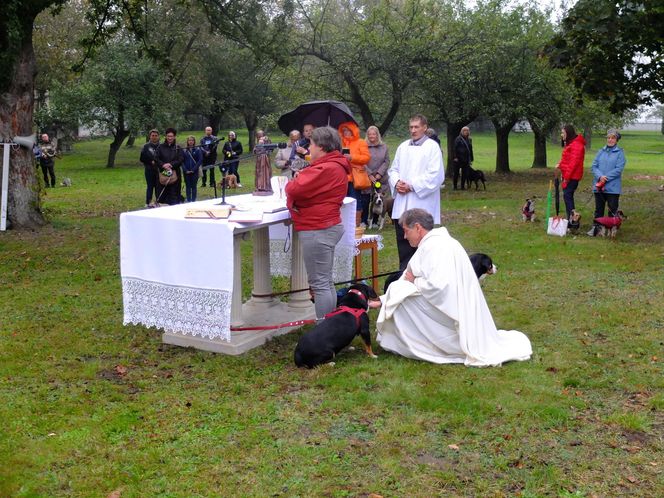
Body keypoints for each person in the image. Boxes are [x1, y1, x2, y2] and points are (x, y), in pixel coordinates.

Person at [376, 208, 532, 366]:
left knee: (403, 301)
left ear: (417, 227)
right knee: (399, 292)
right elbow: (409, 277)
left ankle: (418, 345)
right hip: (456, 303)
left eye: (406, 231)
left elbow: (438, 287)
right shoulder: (435, 242)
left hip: (453, 311)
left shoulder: (434, 246)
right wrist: (384, 299)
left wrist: (414, 282)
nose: (404, 236)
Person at [285, 126, 351, 318]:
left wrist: (295, 182)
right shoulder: (333, 165)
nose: (309, 148)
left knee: (320, 284)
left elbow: (294, 189)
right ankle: (330, 327)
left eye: (311, 144)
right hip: (327, 225)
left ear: (321, 146)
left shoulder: (325, 168)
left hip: (318, 228)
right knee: (326, 282)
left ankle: (324, 331)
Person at [387, 114, 445, 281]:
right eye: (411, 127)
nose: (413, 130)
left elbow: (435, 175)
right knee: (404, 246)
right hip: (402, 206)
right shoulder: (403, 147)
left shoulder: (432, 147)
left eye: (416, 127)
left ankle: (424, 280)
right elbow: (393, 169)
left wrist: (412, 185)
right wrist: (397, 182)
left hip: (421, 205)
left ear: (425, 127)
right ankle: (403, 279)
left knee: (422, 247)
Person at [588, 129, 626, 236]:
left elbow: (619, 169)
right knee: (598, 210)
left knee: (612, 210)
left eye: (613, 138)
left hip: (613, 188)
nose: (610, 140)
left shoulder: (620, 153)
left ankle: (611, 231)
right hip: (599, 186)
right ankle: (596, 229)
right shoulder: (601, 151)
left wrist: (606, 178)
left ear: (617, 140)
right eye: (608, 138)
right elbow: (594, 166)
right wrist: (600, 176)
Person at [338, 121, 371, 227]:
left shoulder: (361, 142)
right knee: (342, 201)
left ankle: (356, 226)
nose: (346, 132)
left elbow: (366, 158)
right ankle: (344, 224)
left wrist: (352, 157)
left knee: (355, 200)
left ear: (353, 131)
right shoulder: (340, 143)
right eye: (344, 131)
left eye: (348, 130)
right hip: (342, 177)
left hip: (355, 177)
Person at [555, 124, 586, 220]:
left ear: (568, 133)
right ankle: (571, 220)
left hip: (572, 177)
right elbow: (566, 159)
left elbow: (573, 164)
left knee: (567, 197)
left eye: (563, 133)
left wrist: (566, 179)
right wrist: (560, 165)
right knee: (568, 197)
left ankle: (573, 218)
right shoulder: (571, 143)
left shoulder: (577, 145)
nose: (561, 135)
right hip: (568, 176)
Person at [364, 125, 390, 225]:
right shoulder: (363, 146)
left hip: (381, 179)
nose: (371, 136)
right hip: (367, 178)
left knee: (379, 199)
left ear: (377, 135)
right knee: (366, 200)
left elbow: (387, 161)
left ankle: (375, 221)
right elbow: (362, 162)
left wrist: (379, 173)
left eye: (374, 134)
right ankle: (365, 220)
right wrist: (369, 174)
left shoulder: (384, 147)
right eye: (369, 134)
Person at [155, 128, 184, 205]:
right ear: (165, 136)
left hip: (175, 175)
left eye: (171, 136)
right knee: (162, 195)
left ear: (174, 137)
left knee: (174, 195)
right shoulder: (160, 147)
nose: (170, 138)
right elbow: (156, 158)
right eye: (168, 136)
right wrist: (163, 165)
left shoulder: (178, 148)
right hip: (163, 175)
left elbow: (181, 159)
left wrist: (171, 164)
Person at [139, 129, 160, 207]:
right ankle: (148, 202)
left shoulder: (161, 146)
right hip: (149, 170)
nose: (154, 137)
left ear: (158, 136)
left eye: (156, 136)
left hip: (159, 170)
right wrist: (150, 161)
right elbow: (141, 158)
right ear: (150, 136)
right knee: (150, 187)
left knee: (158, 186)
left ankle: (158, 202)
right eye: (152, 135)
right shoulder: (145, 146)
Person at [182, 135, 203, 202]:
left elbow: (200, 160)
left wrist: (194, 170)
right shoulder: (184, 150)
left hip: (194, 171)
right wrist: (185, 170)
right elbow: (182, 161)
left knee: (194, 186)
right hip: (186, 172)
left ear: (194, 142)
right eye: (189, 140)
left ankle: (193, 200)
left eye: (192, 140)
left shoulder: (197, 150)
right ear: (187, 141)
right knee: (188, 186)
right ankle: (188, 200)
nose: (191, 142)